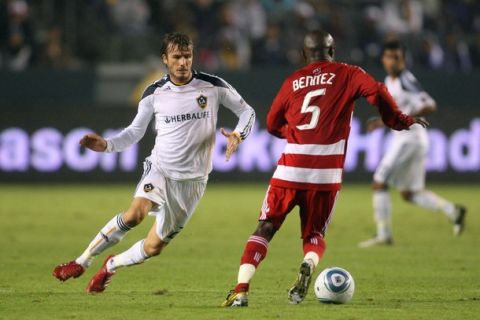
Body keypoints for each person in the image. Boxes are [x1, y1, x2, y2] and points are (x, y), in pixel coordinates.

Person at [222, 30, 427, 307]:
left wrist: (294, 133)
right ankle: (308, 261)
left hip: (291, 167)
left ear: (304, 55)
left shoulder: (293, 80)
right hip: (326, 173)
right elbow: (377, 90)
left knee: (266, 226)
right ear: (332, 51)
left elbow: (272, 123)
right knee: (314, 234)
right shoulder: (348, 73)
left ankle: (241, 290)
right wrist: (399, 120)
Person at [52, 32, 256, 293]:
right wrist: (106, 145)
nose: (183, 62)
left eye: (187, 56)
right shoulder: (154, 93)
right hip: (160, 169)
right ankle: (82, 261)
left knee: (153, 247)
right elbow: (135, 132)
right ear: (165, 59)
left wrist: (239, 134)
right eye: (177, 57)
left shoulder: (213, 85)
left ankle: (111, 265)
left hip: (193, 181)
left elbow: (246, 111)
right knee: (135, 214)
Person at [358, 40, 466, 248]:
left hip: (409, 139)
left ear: (403, 60)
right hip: (413, 140)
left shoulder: (405, 79)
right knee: (410, 194)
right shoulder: (390, 81)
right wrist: (383, 121)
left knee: (379, 181)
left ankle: (384, 234)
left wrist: (403, 119)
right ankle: (453, 210)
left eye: (397, 58)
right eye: (389, 57)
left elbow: (430, 104)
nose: (393, 62)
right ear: (383, 59)